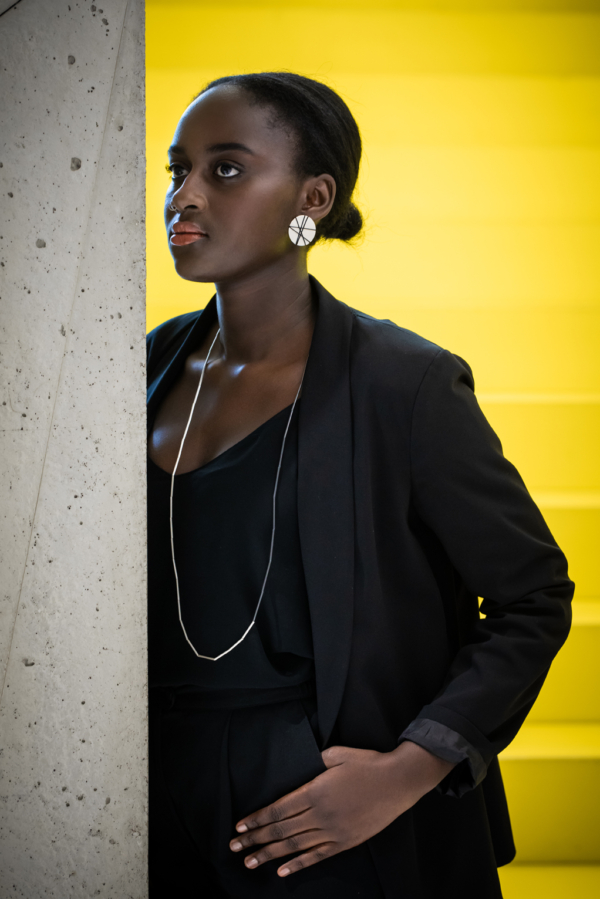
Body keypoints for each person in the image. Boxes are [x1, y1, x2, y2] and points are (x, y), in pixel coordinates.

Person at [146, 72, 573, 899]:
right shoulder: (144, 364)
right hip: (149, 790)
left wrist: (409, 771)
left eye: (225, 169)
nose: (184, 196)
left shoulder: (403, 384)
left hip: (331, 811)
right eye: (177, 170)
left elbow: (533, 597)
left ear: (313, 196)